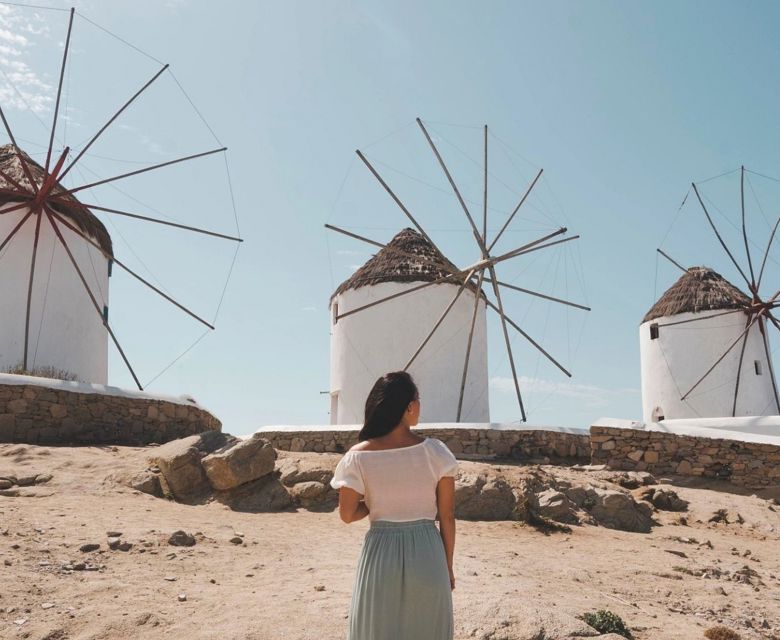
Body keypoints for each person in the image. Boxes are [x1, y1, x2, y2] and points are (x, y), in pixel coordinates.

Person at [330, 371, 458, 640]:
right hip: (428, 554)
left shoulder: (357, 457)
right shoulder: (436, 452)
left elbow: (347, 514)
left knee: (377, 629)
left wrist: (373, 503)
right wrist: (447, 568)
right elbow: (447, 516)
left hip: (380, 553)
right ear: (409, 406)